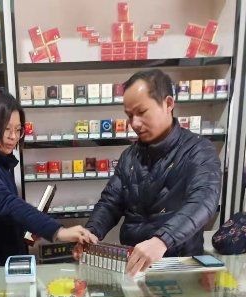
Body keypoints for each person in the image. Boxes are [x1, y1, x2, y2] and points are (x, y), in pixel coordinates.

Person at [85, 69, 222, 276]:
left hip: (179, 266)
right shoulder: (129, 156)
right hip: (134, 266)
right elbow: (110, 202)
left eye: (141, 112)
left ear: (168, 104)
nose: (134, 123)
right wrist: (91, 233)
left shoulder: (199, 150)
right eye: (129, 115)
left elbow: (204, 200)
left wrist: (162, 240)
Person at [0, 88, 97, 268]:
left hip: (1, 263)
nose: (13, 137)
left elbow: (0, 213)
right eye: (6, 129)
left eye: (18, 130)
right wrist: (58, 231)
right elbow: (4, 202)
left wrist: (27, 228)